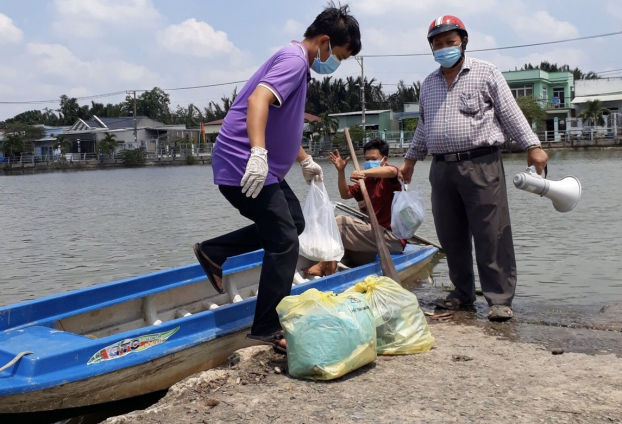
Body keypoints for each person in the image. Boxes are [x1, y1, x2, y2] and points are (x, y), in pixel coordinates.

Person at [193, 3, 362, 352]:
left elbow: (282, 124)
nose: (336, 64)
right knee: (284, 240)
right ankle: (268, 327)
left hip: (264, 168)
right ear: (326, 42)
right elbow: (258, 101)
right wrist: (257, 153)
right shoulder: (295, 59)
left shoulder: (299, 66)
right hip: (245, 164)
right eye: (340, 57)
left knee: (294, 222)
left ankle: (214, 252)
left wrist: (303, 160)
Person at [399, 15, 548, 322]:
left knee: (491, 232)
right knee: (450, 234)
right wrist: (411, 160)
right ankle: (462, 293)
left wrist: (532, 146)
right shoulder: (428, 83)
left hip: (482, 164)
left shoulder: (485, 73)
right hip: (442, 169)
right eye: (437, 44)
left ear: (463, 42)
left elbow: (510, 113)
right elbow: (423, 128)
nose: (444, 48)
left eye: (449, 42)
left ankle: (499, 298)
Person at [303, 138, 404, 277]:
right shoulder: (367, 181)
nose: (369, 162)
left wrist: (363, 172)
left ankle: (324, 266)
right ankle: (330, 264)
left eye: (373, 159)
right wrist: (341, 171)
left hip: (391, 238)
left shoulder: (389, 178)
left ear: (384, 159)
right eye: (366, 159)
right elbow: (345, 194)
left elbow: (392, 171)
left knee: (338, 223)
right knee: (332, 220)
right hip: (374, 233)